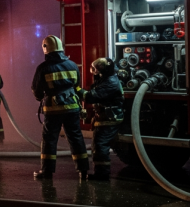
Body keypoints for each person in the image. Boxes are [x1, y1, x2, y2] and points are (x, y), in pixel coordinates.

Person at [31, 35, 89, 180]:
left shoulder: (43, 68)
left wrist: (40, 98)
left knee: (50, 140)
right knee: (76, 138)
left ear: (45, 48)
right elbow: (77, 86)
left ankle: (47, 172)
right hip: (73, 107)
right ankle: (83, 171)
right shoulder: (72, 65)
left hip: (53, 109)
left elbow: (36, 89)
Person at [77, 57, 124, 180]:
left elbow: (91, 97)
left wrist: (76, 89)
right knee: (98, 145)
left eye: (96, 69)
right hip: (105, 118)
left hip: (109, 119)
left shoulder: (110, 83)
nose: (94, 72)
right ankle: (100, 173)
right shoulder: (106, 79)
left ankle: (102, 175)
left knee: (100, 146)